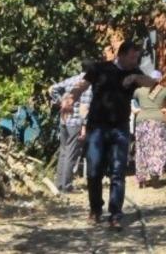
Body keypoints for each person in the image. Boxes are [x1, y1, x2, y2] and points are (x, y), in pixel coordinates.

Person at [63, 41, 156, 231]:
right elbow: (82, 85)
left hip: (120, 128)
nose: (134, 61)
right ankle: (96, 209)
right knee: (94, 171)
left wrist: (135, 77)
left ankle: (115, 215)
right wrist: (70, 99)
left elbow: (152, 83)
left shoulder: (134, 71)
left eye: (136, 58)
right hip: (97, 127)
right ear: (121, 54)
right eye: (132, 57)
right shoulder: (100, 68)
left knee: (118, 171)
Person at [131, 71, 166, 187]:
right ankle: (155, 177)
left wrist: (135, 109)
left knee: (142, 149)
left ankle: (141, 179)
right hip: (157, 122)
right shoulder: (163, 90)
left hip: (142, 121)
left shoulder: (139, 91)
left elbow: (131, 100)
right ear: (159, 79)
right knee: (157, 148)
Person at [48, 65, 92, 192]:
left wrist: (61, 102)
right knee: (71, 153)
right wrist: (84, 126)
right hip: (76, 122)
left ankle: (59, 183)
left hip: (64, 120)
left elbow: (53, 89)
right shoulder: (87, 84)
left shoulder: (71, 80)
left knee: (63, 151)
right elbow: (86, 107)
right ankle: (67, 185)